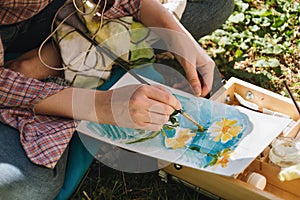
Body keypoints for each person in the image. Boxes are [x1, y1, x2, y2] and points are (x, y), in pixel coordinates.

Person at [0, 0, 234, 199]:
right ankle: (71, 53)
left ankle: (62, 53)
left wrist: (170, 29)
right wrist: (102, 106)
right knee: (24, 186)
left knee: (213, 5)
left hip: (65, 13)